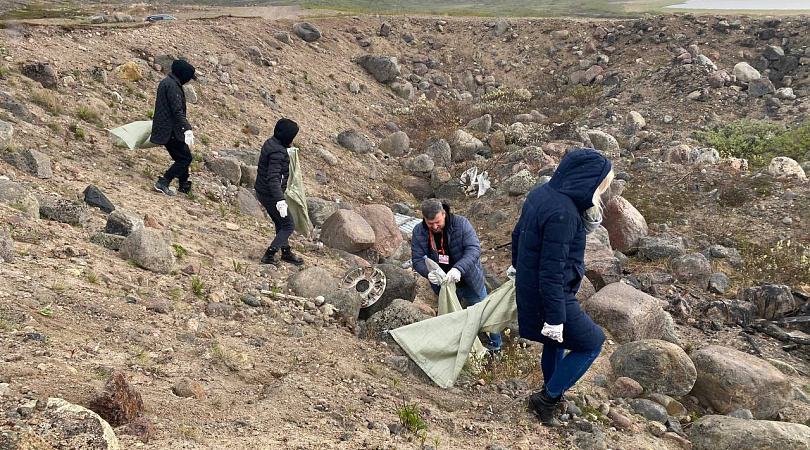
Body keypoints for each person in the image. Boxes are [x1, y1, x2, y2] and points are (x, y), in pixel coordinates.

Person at [510, 148, 614, 426]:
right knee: (592, 342)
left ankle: (551, 391)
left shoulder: (540, 192)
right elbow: (552, 271)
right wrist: (555, 317)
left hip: (533, 288)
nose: (601, 190)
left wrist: (518, 268)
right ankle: (547, 398)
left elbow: (517, 234)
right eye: (601, 184)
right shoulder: (564, 213)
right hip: (549, 294)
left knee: (554, 342)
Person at [412, 198, 501, 352]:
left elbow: (474, 249)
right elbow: (417, 258)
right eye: (430, 223)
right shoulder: (419, 232)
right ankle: (458, 349)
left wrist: (458, 269)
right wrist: (427, 273)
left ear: (443, 213)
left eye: (437, 222)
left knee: (484, 313)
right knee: (451, 317)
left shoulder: (461, 224)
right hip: (445, 286)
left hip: (469, 280)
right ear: (424, 219)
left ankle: (495, 346)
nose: (434, 226)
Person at [255, 118, 304, 266]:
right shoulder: (278, 152)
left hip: (263, 191)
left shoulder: (271, 142)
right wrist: (280, 201)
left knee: (280, 222)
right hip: (271, 194)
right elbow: (273, 178)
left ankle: (286, 251)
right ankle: (269, 255)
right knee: (289, 225)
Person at [151, 59, 197, 196]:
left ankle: (183, 184)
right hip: (170, 130)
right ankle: (164, 182)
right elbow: (177, 111)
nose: (188, 81)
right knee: (185, 158)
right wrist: (187, 128)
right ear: (183, 74)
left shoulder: (168, 83)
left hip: (168, 128)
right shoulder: (173, 87)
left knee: (182, 155)